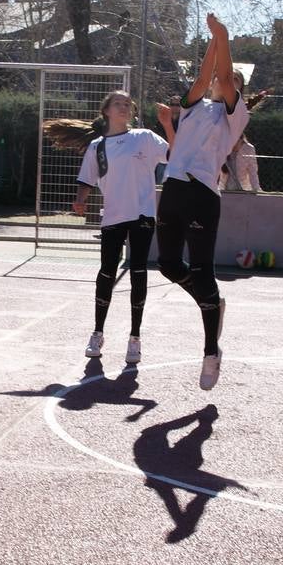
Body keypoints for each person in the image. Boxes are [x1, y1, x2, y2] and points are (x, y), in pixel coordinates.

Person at [153, 12, 249, 390]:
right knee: (168, 263)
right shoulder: (194, 105)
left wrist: (223, 37)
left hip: (203, 194)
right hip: (174, 189)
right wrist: (212, 40)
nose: (225, 84)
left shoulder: (235, 116)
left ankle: (211, 351)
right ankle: (211, 302)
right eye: (224, 81)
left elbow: (222, 76)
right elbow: (204, 78)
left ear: (238, 92)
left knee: (202, 270)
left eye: (234, 84)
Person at [46, 91, 168, 364]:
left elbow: (172, 154)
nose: (124, 106)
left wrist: (169, 124)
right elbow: (87, 178)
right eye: (118, 103)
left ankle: (134, 338)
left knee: (138, 272)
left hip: (142, 214)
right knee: (106, 272)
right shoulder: (97, 147)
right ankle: (97, 333)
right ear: (107, 111)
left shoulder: (144, 137)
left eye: (128, 104)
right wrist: (80, 200)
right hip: (113, 216)